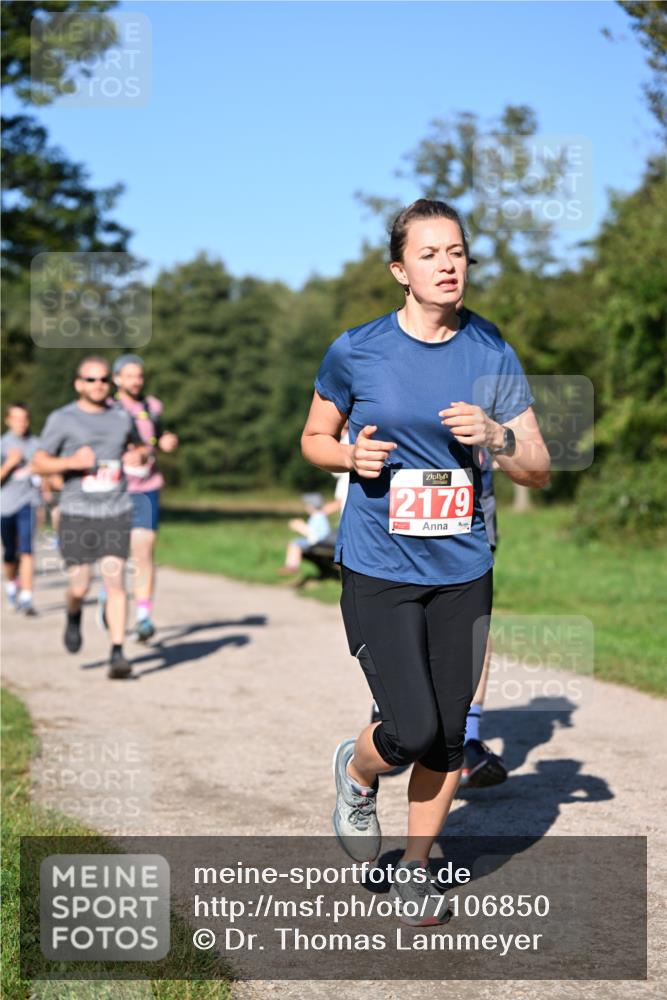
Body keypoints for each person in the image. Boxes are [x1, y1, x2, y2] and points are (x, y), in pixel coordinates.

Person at [301, 199, 550, 925]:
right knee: (408, 731)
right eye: (431, 254)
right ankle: (357, 769)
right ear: (399, 270)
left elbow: (537, 467)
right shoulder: (357, 349)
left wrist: (497, 436)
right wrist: (349, 454)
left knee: (446, 732)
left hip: (462, 567)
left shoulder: (490, 349)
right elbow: (315, 434)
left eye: (458, 253)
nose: (448, 265)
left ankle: (415, 868)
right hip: (378, 563)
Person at [32, 356, 150, 679]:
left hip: (116, 509)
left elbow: (137, 449)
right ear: (78, 384)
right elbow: (38, 463)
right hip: (76, 512)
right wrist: (70, 462)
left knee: (116, 581)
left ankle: (117, 653)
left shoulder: (121, 416)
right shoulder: (62, 419)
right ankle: (73, 614)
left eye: (102, 380)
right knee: (80, 586)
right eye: (90, 380)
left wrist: (138, 454)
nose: (98, 385)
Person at [98, 354, 178, 641]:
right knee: (117, 553)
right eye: (130, 376)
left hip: (147, 486)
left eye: (139, 376)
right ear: (117, 378)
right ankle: (109, 595)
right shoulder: (106, 408)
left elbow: (156, 437)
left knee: (144, 549)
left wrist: (164, 442)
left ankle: (144, 616)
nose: (136, 381)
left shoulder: (153, 406)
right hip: (114, 489)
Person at [1, 403, 41, 615]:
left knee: (26, 549)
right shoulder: (2, 445)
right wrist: (9, 464)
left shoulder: (37, 444)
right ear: (8, 420)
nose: (21, 423)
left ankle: (26, 597)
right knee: (10, 554)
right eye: (16, 418)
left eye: (24, 418)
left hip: (29, 503)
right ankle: (11, 583)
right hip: (5, 506)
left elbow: (46, 473)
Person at [279, 493, 331, 575]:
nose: (305, 507)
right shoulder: (318, 516)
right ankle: (291, 565)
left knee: (295, 543)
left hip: (319, 542)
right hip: (319, 541)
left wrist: (300, 527)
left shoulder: (318, 517)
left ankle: (292, 565)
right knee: (295, 542)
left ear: (311, 506)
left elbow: (313, 535)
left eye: (307, 505)